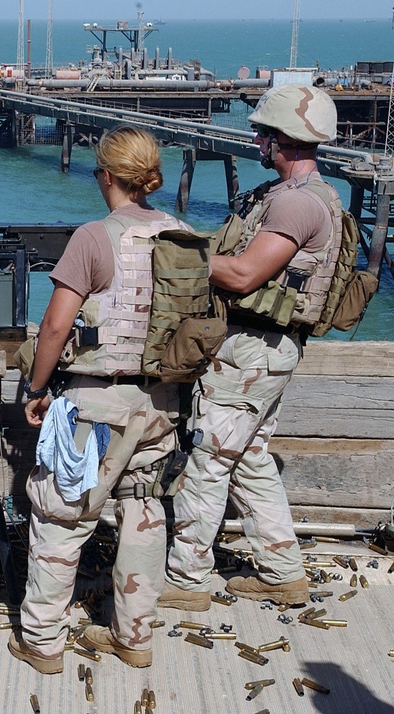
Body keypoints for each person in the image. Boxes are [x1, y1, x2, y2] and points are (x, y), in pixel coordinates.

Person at [9, 126, 195, 672]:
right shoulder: (181, 233)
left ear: (108, 176)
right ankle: (133, 638)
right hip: (162, 404)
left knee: (63, 514)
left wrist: (37, 389)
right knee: (143, 512)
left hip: (99, 405)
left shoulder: (94, 237)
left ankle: (42, 643)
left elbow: (53, 328)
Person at [160, 84, 342, 611]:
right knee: (250, 459)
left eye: (263, 132)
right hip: (266, 350)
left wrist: (171, 247)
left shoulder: (295, 205)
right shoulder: (310, 195)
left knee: (209, 461)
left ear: (284, 139)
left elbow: (241, 276)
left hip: (251, 352)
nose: (256, 139)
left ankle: (187, 580)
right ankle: (282, 571)